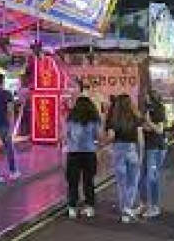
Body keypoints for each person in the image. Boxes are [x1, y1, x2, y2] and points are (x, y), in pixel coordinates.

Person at [65, 97, 105, 219]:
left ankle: (72, 208)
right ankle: (89, 207)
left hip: (73, 153)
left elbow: (65, 135)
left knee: (73, 182)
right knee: (88, 181)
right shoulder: (94, 121)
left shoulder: (70, 120)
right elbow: (99, 137)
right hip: (89, 153)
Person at [106, 94, 144, 223]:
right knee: (133, 182)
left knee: (121, 183)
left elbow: (111, 136)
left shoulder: (113, 118)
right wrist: (141, 154)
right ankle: (127, 209)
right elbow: (140, 138)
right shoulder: (135, 117)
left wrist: (106, 144)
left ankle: (124, 212)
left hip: (118, 150)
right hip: (132, 150)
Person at [0, 73, 20, 182]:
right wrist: (12, 126)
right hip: (4, 125)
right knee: (9, 149)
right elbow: (10, 111)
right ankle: (13, 171)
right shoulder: (7, 94)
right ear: (3, 81)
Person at [141, 90, 168, 219]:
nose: (144, 98)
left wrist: (148, 122)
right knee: (145, 176)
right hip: (149, 146)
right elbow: (145, 128)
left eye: (146, 96)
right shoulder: (148, 109)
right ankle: (145, 204)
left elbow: (159, 129)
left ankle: (154, 206)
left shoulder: (159, 110)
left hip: (156, 147)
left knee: (152, 177)